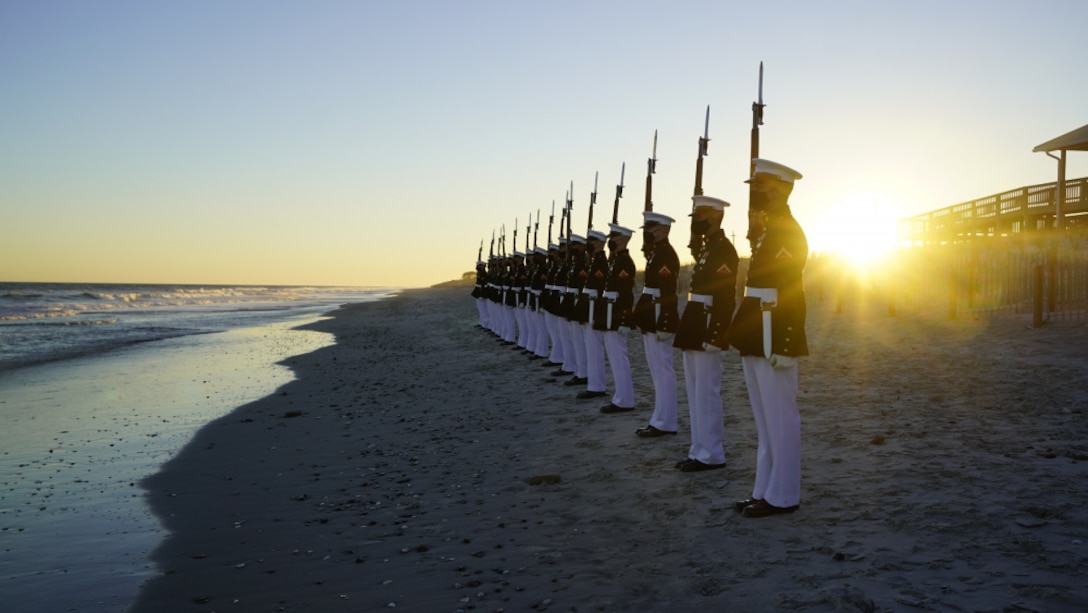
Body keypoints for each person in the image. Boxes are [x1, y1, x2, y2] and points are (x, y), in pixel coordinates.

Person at [728, 158, 809, 517]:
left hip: (774, 331)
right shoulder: (768, 230)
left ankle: (785, 495)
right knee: (764, 419)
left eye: (761, 188)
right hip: (757, 328)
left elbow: (791, 290)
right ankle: (765, 489)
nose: (756, 195)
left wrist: (788, 343)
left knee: (780, 417)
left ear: (781, 189)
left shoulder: (788, 231)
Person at [672, 195, 739, 472]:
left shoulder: (724, 249)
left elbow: (725, 297)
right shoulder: (707, 248)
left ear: (716, 216)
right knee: (694, 391)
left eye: (701, 217)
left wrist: (717, 334)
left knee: (707, 392)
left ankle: (712, 453)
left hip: (709, 323)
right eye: (695, 217)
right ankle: (698, 449)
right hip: (695, 320)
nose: (696, 222)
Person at [633, 211, 681, 436]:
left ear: (661, 230)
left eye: (650, 231)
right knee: (656, 369)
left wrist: (666, 322)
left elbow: (668, 293)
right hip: (651, 312)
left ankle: (667, 421)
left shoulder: (666, 255)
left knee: (663, 370)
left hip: (659, 313)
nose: (647, 235)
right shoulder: (657, 253)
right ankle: (660, 418)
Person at [596, 222, 637, 413]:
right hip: (609, 313)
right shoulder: (615, 261)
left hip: (616, 314)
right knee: (614, 357)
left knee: (619, 357)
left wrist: (623, 320)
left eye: (612, 238)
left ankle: (625, 399)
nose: (609, 241)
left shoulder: (624, 262)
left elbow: (626, 294)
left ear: (621, 240)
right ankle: (620, 397)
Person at [576, 230, 610, 399]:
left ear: (601, 243)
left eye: (593, 241)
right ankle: (594, 383)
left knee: (594, 347)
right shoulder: (594, 261)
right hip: (588, 307)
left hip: (593, 307)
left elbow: (599, 288)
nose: (590, 244)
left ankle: (597, 386)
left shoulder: (601, 262)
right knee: (590, 346)